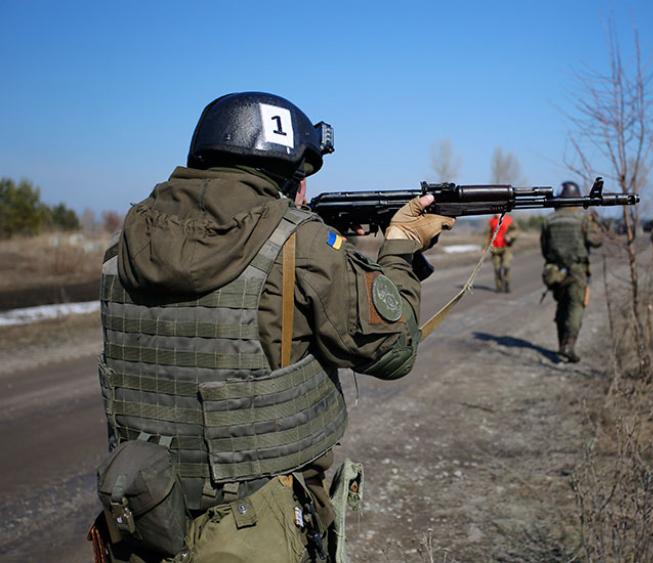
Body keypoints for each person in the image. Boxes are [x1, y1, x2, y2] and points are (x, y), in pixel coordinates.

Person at [88, 92, 454, 562]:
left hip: (144, 514)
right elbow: (395, 351)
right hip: (254, 527)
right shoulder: (301, 243)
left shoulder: (125, 241)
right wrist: (400, 245)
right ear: (288, 172)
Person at [540, 181, 604, 363]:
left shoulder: (549, 220)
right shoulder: (583, 219)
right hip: (577, 271)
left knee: (562, 306)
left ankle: (562, 344)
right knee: (575, 307)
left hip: (555, 272)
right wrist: (596, 222)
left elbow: (544, 248)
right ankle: (568, 345)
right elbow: (597, 241)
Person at [487, 213, 517, 292]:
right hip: (495, 248)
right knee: (497, 268)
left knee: (506, 266)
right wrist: (486, 246)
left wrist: (510, 236)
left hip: (506, 247)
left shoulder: (509, 219)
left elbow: (515, 231)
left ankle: (507, 284)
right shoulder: (492, 220)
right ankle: (499, 286)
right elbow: (488, 234)